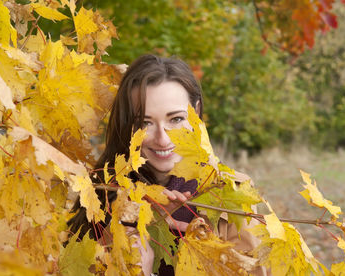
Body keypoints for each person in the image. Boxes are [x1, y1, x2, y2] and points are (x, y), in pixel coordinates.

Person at [68, 54, 266, 275]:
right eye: (145, 122)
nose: (163, 138)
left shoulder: (228, 196)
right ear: (128, 126)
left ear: (196, 112)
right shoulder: (104, 195)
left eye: (176, 119)